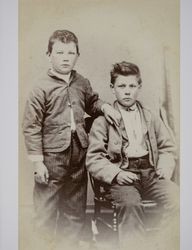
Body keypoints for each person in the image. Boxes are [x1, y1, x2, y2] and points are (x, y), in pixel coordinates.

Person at [22, 30, 120, 250]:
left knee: (75, 207)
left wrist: (104, 107)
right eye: (59, 52)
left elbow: (92, 102)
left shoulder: (81, 82)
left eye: (70, 52)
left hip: (78, 151)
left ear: (77, 55)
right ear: (48, 54)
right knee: (45, 208)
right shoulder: (40, 87)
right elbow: (31, 126)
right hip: (51, 157)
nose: (65, 57)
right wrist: (38, 162)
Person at [86, 61, 179, 250]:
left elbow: (167, 147)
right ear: (112, 89)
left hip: (151, 173)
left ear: (139, 87)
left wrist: (164, 165)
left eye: (132, 86)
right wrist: (117, 174)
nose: (127, 91)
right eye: (121, 86)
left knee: (180, 200)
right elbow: (94, 158)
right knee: (130, 206)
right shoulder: (102, 121)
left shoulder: (150, 116)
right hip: (122, 177)